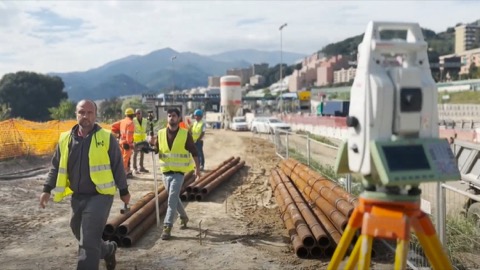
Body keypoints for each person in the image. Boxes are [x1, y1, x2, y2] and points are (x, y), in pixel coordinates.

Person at [39, 99, 131, 270]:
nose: (85, 116)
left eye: (90, 113)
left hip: (100, 195)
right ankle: (108, 249)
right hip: (78, 196)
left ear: (95, 115)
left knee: (88, 239)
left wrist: (124, 190)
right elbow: (56, 166)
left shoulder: (106, 138)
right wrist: (46, 189)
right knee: (78, 230)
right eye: (82, 112)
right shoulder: (65, 139)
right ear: (76, 114)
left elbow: (118, 166)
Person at [150, 107, 200, 240]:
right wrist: (150, 147)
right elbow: (156, 149)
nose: (171, 118)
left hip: (179, 173)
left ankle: (167, 227)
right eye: (169, 116)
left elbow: (194, 152)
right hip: (165, 172)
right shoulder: (160, 133)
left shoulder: (185, 134)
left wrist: (197, 169)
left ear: (178, 118)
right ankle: (184, 217)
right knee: (175, 199)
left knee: (171, 200)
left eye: (173, 116)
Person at [120, 108, 135, 178]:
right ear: (132, 115)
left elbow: (114, 127)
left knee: (123, 158)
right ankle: (123, 173)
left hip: (121, 142)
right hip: (127, 143)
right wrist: (130, 144)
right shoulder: (130, 123)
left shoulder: (122, 121)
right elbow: (129, 134)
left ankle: (126, 172)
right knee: (125, 159)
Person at [132, 109, 149, 174]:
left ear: (141, 113)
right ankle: (134, 168)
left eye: (139, 113)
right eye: (136, 113)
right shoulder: (133, 121)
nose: (138, 115)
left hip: (143, 140)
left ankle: (141, 167)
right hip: (136, 140)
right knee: (135, 154)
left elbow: (145, 130)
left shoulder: (145, 120)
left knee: (142, 154)